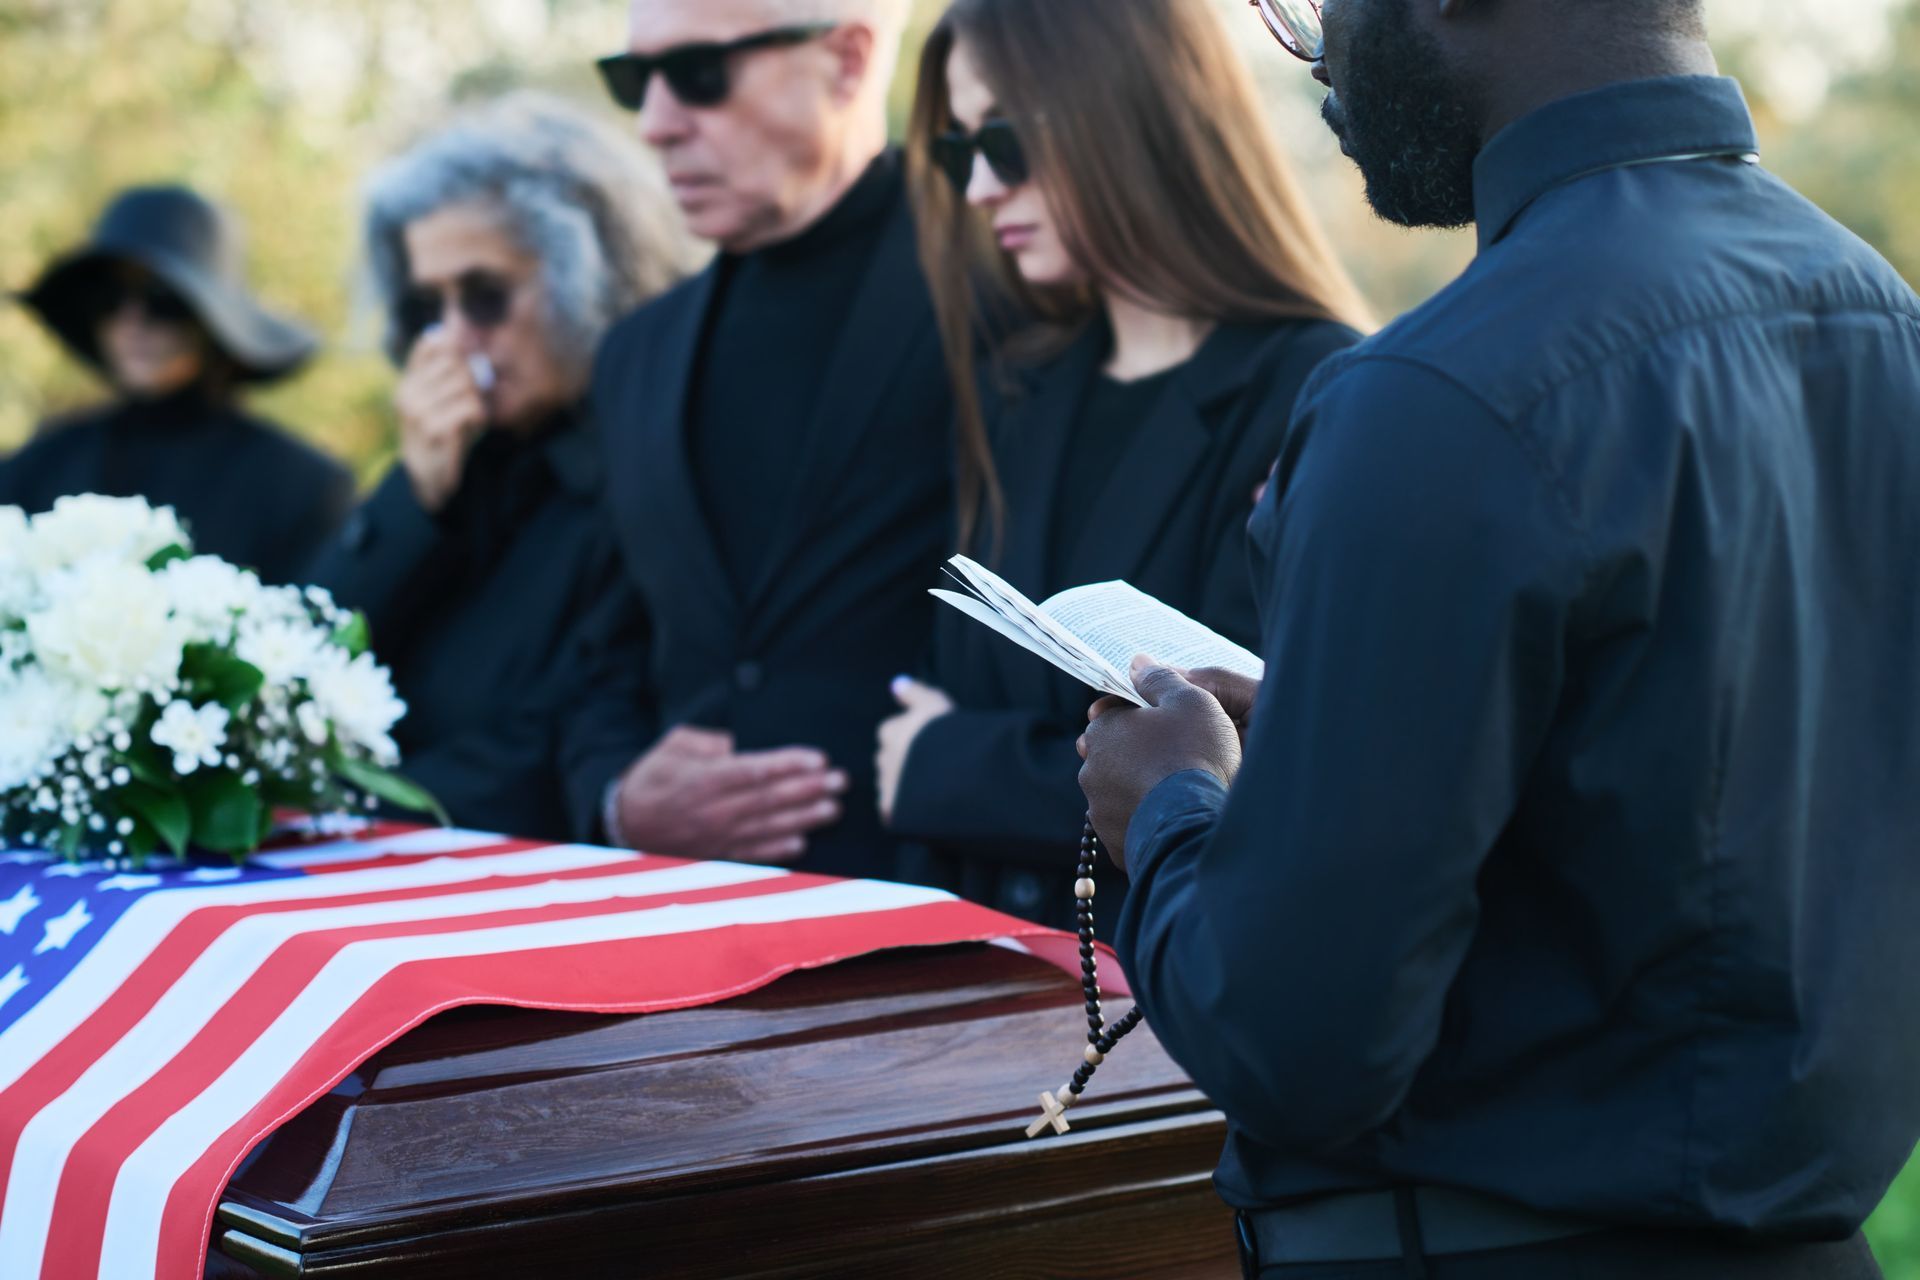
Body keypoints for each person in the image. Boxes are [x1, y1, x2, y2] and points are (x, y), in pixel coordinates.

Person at [1077, 0, 1920, 1276]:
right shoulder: (1884, 320)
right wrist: (1323, 727)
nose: (1312, 48)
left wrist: (1171, 805)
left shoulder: (1437, 395)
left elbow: (1295, 1044)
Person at [873, 0, 1368, 930]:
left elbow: (1255, 755)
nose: (978, 188)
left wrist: (947, 767)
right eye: (958, 152)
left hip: (1167, 1003)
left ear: (1129, 116)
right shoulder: (1019, 386)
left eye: (1005, 144)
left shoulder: (1317, 383)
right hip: (978, 978)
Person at [565, 0, 952, 879]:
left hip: (952, 935)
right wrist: (621, 801)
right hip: (681, 940)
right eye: (635, 80)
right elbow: (599, 658)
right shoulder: (636, 353)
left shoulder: (1001, 295)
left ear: (848, 60)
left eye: (700, 73)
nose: (657, 123)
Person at [308, 93, 699, 841]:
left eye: (485, 297)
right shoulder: (467, 461)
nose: (451, 339)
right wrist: (412, 499)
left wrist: (340, 815)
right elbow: (309, 658)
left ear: (594, 277)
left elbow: (546, 746)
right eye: (427, 305)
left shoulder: (652, 459)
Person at [4, 185, 352, 582]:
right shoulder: (38, 467)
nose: (132, 323)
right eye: (111, 297)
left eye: (161, 298)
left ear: (211, 319)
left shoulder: (297, 487)